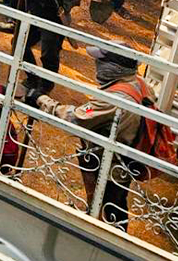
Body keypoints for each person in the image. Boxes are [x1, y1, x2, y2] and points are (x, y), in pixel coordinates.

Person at [26, 44, 152, 232]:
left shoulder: (115, 98)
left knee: (111, 204)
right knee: (114, 202)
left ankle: (107, 238)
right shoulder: (138, 82)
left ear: (115, 68)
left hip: (112, 162)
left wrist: (41, 99)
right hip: (125, 155)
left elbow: (76, 117)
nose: (96, 64)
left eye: (101, 61)